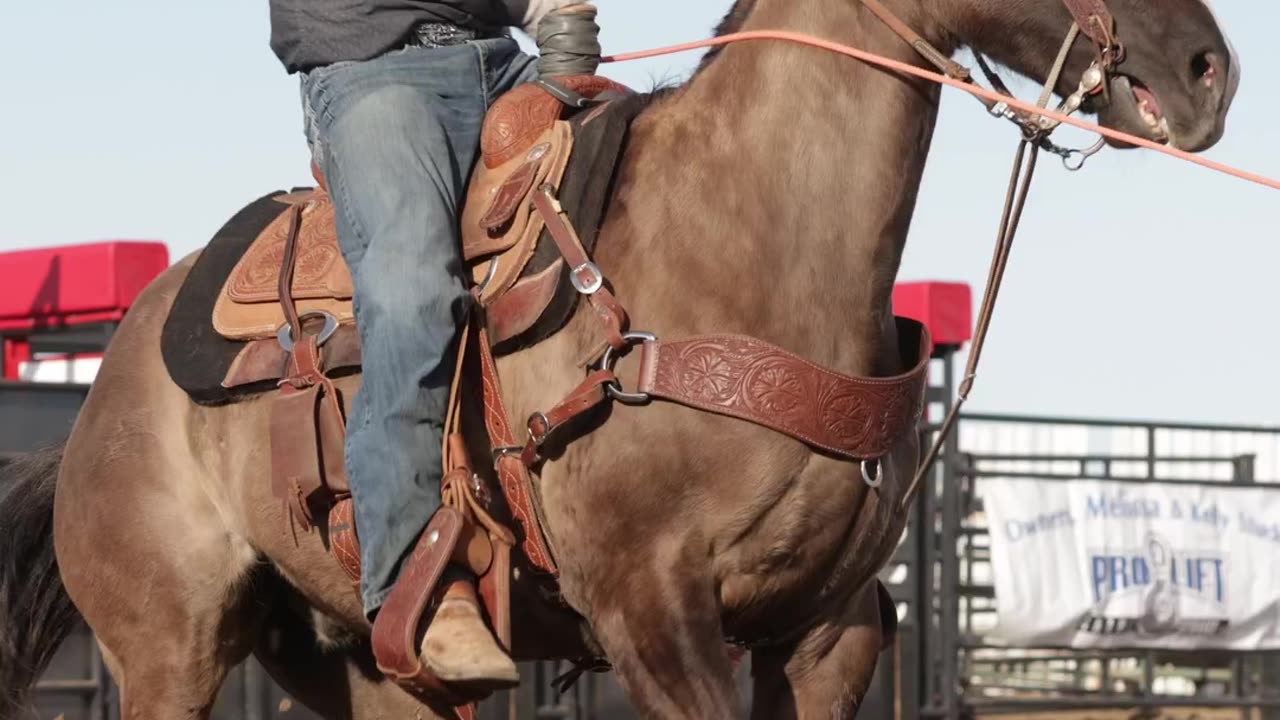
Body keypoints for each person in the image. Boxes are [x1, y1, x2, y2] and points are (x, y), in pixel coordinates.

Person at [267, 0, 596, 689]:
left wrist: (561, 17)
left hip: (504, 59)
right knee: (412, 290)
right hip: (371, 75)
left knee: (658, 175)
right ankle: (420, 580)